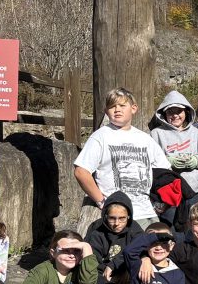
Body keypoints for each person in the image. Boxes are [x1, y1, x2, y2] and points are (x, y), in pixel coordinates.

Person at [73, 87, 170, 232]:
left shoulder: (145, 139)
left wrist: (160, 202)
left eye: (122, 105)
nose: (117, 110)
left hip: (146, 212)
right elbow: (81, 171)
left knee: (155, 251)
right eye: (112, 106)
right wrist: (102, 202)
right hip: (116, 216)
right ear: (107, 112)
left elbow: (165, 173)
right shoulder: (101, 137)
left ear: (133, 108)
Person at [149, 90, 198, 213]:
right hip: (168, 192)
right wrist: (167, 162)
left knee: (192, 227)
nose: (175, 115)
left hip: (193, 190)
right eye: (171, 112)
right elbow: (149, 159)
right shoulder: (156, 134)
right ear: (164, 114)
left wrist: (196, 161)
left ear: (186, 112)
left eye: (179, 111)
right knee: (170, 229)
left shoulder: (195, 132)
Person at [85, 191, 138, 284]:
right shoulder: (96, 233)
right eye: (112, 218)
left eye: (122, 218)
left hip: (123, 275)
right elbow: (90, 269)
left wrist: (114, 264)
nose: (116, 223)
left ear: (128, 217)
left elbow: (140, 248)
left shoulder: (134, 229)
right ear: (105, 216)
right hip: (103, 280)